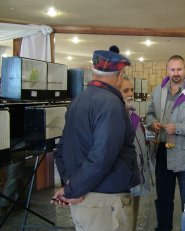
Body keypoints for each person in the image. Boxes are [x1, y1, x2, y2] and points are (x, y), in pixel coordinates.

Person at [53, 47, 140, 231]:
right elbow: (101, 157)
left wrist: (71, 186)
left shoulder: (78, 100)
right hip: (105, 203)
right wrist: (73, 190)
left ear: (94, 72)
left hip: (84, 201)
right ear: (120, 74)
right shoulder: (111, 104)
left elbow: (61, 150)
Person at [146, 55, 185, 231]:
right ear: (167, 70)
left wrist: (178, 127)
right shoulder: (159, 91)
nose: (176, 73)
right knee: (163, 198)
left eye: (179, 69)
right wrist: (153, 123)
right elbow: (149, 114)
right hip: (163, 152)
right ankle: (163, 227)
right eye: (172, 69)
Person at [120, 76, 153, 231]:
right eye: (126, 90)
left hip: (137, 176)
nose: (131, 93)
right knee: (123, 222)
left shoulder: (133, 115)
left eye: (132, 89)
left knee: (132, 219)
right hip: (123, 181)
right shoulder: (115, 116)